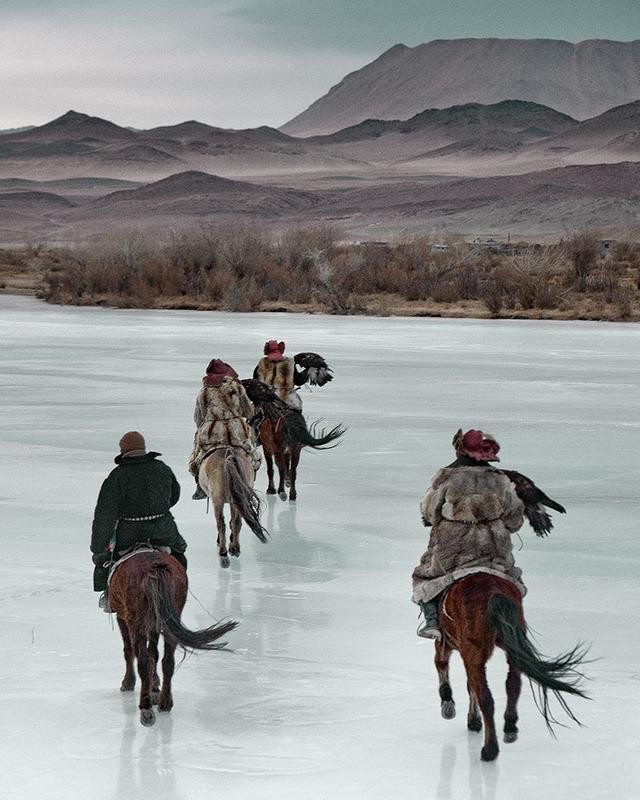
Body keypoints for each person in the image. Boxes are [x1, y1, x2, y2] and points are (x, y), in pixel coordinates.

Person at [411, 429, 526, 640]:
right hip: (493, 554)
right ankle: (515, 624)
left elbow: (430, 512)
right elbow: (514, 518)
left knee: (424, 577)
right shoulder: (501, 480)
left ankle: (432, 622)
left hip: (452, 555)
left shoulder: (445, 478)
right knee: (511, 580)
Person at [91, 431, 187, 611]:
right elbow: (174, 495)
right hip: (163, 528)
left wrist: (98, 548)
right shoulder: (162, 468)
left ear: (123, 450)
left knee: (106, 560)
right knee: (179, 551)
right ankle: (179, 586)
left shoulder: (116, 476)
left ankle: (109, 597)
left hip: (129, 532)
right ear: (143, 448)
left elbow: (104, 515)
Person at [189, 359, 260, 500]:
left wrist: (204, 426)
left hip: (211, 432)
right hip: (237, 431)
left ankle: (200, 487)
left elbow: (198, 417)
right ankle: (249, 485)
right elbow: (248, 412)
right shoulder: (237, 388)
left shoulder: (203, 392)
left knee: (197, 459)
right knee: (254, 456)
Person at [253, 340, 308, 411]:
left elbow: (255, 383)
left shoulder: (261, 365)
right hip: (287, 399)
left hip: (266, 400)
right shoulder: (289, 364)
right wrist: (307, 373)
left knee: (254, 417)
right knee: (297, 415)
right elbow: (299, 381)